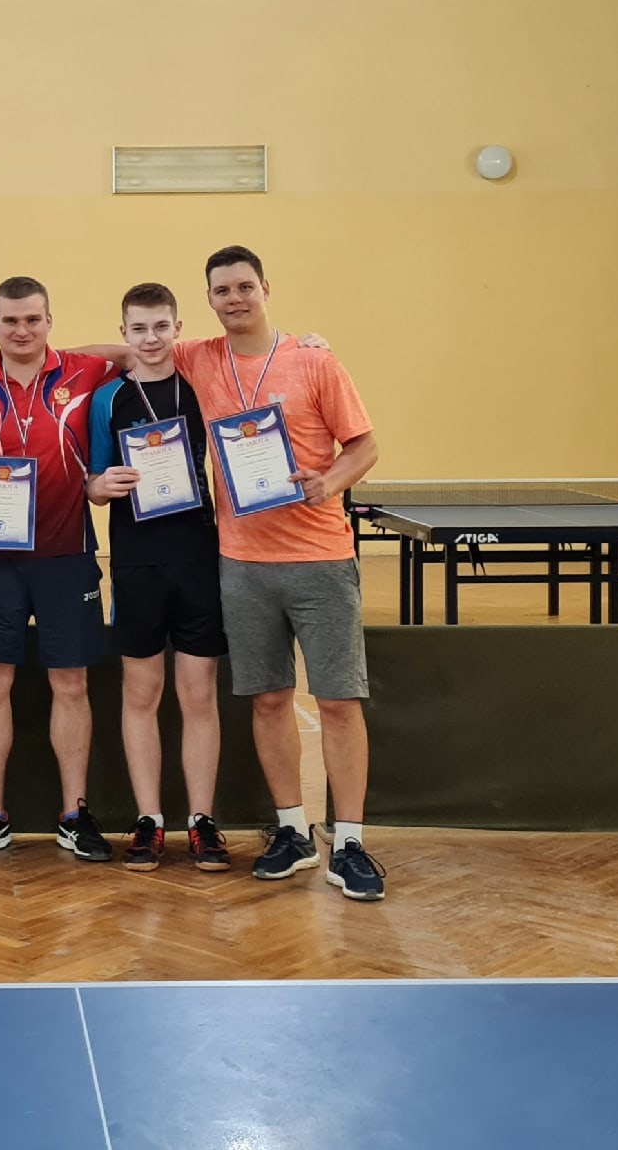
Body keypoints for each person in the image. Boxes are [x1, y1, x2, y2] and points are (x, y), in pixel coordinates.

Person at [172, 245, 386, 901]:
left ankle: (349, 841)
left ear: (265, 288)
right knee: (268, 699)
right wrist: (42, 352)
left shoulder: (315, 361)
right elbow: (119, 352)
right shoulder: (199, 357)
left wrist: (330, 482)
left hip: (321, 561)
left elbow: (365, 445)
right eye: (222, 290)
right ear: (209, 300)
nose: (234, 298)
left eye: (244, 286)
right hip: (242, 565)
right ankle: (292, 830)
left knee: (338, 702)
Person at [0, 276, 116, 864]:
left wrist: (302, 342)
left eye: (33, 319)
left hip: (68, 555)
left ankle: (74, 815)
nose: (22, 330)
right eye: (10, 320)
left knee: (71, 684)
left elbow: (145, 350)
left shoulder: (85, 372)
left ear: (49, 321)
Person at [86, 283, 230, 872]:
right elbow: (93, 481)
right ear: (123, 333)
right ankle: (149, 820)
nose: (150, 338)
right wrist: (100, 486)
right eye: (139, 329)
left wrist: (311, 341)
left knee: (198, 696)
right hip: (136, 563)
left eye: (161, 326)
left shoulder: (201, 383)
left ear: (178, 328)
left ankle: (202, 820)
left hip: (199, 558)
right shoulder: (107, 398)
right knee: (141, 694)